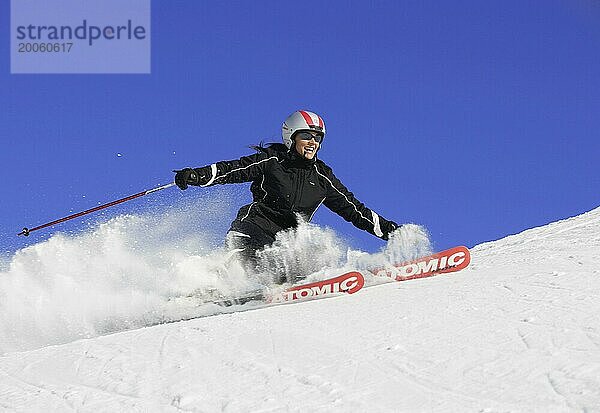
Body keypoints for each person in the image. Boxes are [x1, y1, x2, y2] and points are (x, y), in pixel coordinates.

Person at [174, 110, 399, 278]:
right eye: (306, 136)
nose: (312, 143)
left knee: (308, 259)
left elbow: (355, 210)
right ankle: (208, 285)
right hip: (253, 231)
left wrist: (392, 232)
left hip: (289, 243)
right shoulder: (272, 160)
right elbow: (232, 169)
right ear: (291, 137)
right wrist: (197, 175)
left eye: (317, 138)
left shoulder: (323, 177)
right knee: (245, 267)